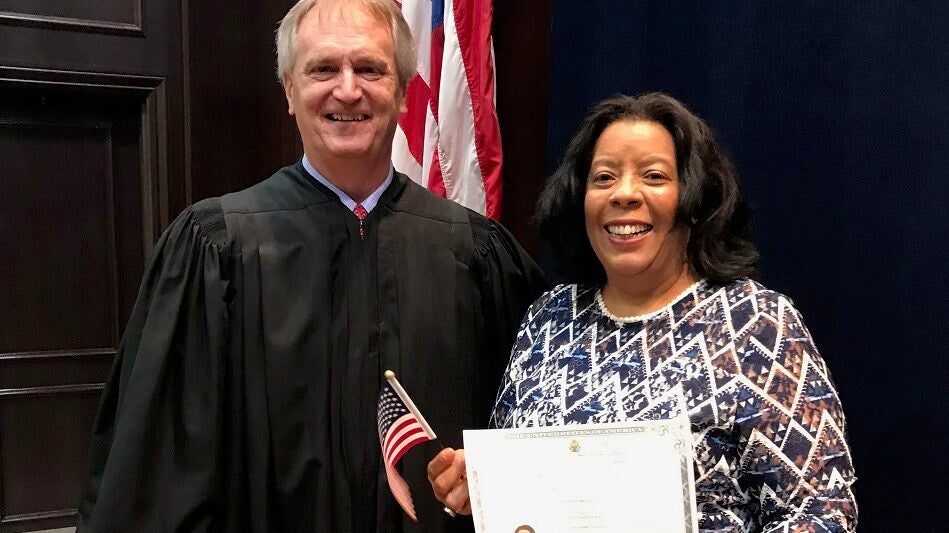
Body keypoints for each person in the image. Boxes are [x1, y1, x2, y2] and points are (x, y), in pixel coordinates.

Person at [77, 0, 545, 531]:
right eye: (323, 69)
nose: (348, 90)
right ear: (289, 92)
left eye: (370, 68)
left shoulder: (475, 252)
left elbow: (532, 428)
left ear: (405, 92)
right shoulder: (216, 248)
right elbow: (159, 470)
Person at [428, 93, 857, 532]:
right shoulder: (548, 318)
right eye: (604, 177)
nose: (625, 194)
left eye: (653, 176)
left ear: (695, 198)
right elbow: (521, 482)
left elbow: (821, 512)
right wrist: (478, 487)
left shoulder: (756, 324)